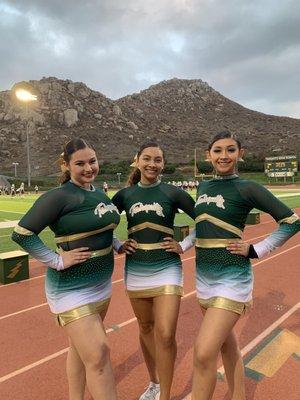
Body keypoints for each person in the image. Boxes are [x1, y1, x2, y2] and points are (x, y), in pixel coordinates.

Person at [185, 131, 300, 400]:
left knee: (203, 354)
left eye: (230, 150)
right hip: (203, 277)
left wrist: (256, 249)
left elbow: (292, 221)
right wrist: (181, 246)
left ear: (240, 154)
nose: (224, 156)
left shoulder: (248, 187)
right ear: (208, 155)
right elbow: (201, 226)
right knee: (227, 345)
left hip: (232, 278)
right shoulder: (203, 188)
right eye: (217, 150)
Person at [12, 138, 120, 400]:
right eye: (80, 163)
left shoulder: (98, 193)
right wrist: (57, 260)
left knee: (80, 351)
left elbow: (102, 226)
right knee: (98, 354)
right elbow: (22, 233)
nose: (88, 168)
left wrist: (117, 244)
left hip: (101, 285)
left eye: (92, 161)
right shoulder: (58, 196)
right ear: (67, 165)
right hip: (71, 288)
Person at [112, 142, 195, 400]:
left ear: (163, 163)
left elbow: (205, 220)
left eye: (157, 160)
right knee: (146, 326)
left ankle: (166, 395)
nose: (152, 164)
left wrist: (184, 244)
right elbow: (101, 224)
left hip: (167, 266)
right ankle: (154, 383)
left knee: (166, 333)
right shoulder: (124, 195)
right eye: (146, 159)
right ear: (136, 160)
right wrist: (117, 244)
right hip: (136, 267)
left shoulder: (174, 193)